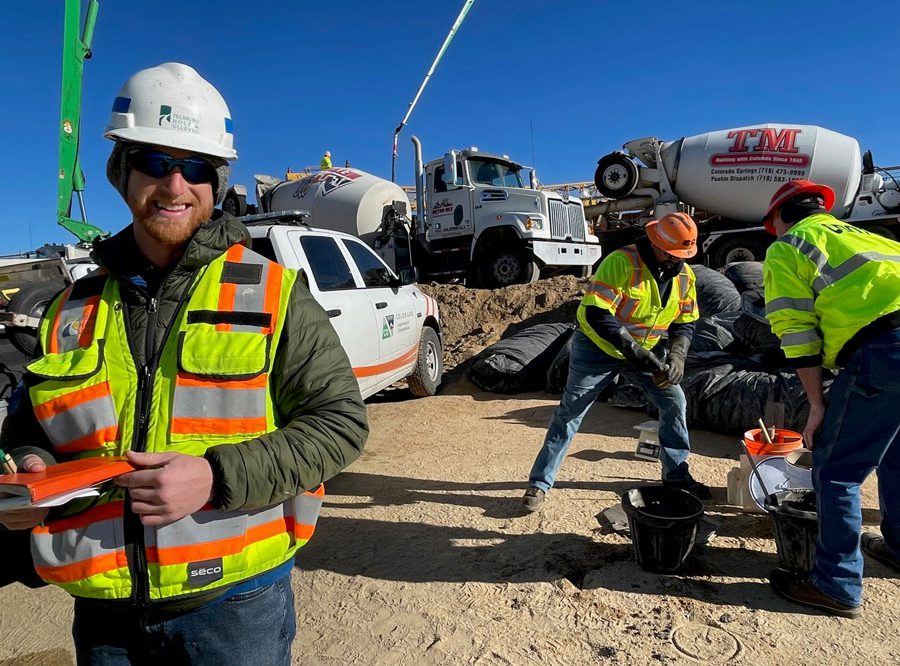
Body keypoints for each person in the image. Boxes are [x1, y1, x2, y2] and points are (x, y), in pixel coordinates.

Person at [0, 62, 368, 664]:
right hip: (105, 611)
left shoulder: (273, 293)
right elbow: (31, 427)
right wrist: (32, 469)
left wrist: (214, 478)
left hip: (234, 609)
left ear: (216, 182)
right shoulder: (70, 309)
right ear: (122, 172)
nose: (175, 185)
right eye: (155, 162)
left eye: (196, 168)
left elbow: (341, 425)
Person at [762, 179, 900, 619]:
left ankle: (836, 583)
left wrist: (817, 404)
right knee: (896, 455)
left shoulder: (789, 247)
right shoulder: (872, 238)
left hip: (884, 351)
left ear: (780, 217)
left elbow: (796, 330)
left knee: (837, 471)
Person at [522, 212, 708, 513]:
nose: (676, 260)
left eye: (682, 256)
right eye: (671, 254)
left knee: (675, 402)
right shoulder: (622, 262)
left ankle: (676, 477)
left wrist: (677, 356)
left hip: (646, 351)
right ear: (656, 242)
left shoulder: (685, 276)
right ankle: (539, 483)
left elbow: (686, 322)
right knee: (571, 412)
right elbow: (597, 314)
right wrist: (637, 353)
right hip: (598, 348)